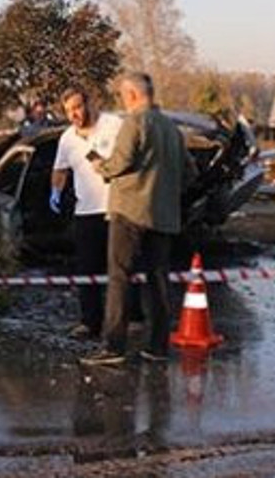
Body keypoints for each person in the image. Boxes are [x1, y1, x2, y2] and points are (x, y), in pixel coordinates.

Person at [82, 73, 196, 366]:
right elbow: (190, 173)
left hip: (130, 212)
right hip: (164, 216)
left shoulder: (133, 123)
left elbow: (119, 163)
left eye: (122, 95)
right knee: (158, 280)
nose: (122, 101)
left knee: (119, 277)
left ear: (131, 94)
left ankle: (113, 347)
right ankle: (158, 346)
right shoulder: (173, 129)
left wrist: (98, 163)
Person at [50, 87, 124, 340]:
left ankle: (131, 319)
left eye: (78, 107)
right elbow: (59, 170)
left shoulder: (113, 125)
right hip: (86, 212)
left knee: (121, 267)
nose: (74, 114)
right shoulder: (67, 138)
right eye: (69, 111)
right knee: (87, 270)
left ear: (89, 103)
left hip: (117, 208)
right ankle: (90, 322)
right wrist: (55, 191)